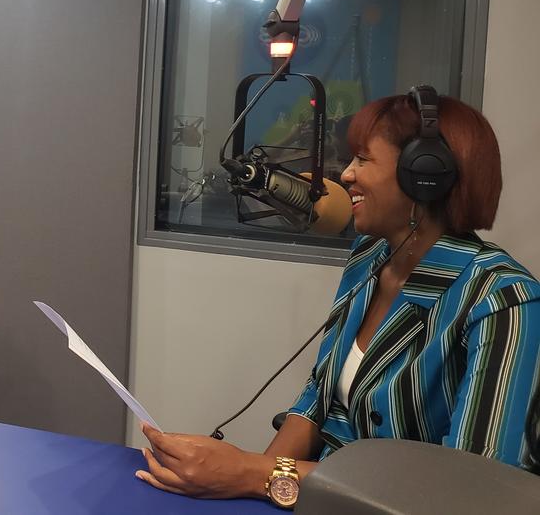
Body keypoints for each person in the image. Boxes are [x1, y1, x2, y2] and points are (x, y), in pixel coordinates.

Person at [136, 88, 540, 507]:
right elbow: (318, 395)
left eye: (363, 159)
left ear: (424, 176)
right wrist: (246, 484)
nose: (346, 175)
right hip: (317, 494)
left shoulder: (503, 300)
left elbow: (469, 488)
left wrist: (252, 473)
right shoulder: (369, 257)